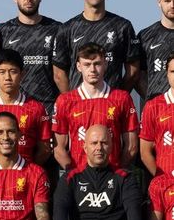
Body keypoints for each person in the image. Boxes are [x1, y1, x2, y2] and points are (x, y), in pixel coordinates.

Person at [52, 0, 140, 92]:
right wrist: (72, 102)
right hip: (79, 107)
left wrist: (118, 98)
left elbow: (133, 71)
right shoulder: (67, 28)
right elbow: (59, 75)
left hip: (111, 106)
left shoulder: (122, 26)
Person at [53, 42, 138, 171]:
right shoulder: (65, 101)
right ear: (78, 66)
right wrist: (74, 174)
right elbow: (58, 148)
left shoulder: (122, 98)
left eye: (97, 64)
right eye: (87, 64)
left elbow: (131, 146)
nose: (92, 69)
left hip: (112, 176)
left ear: (105, 64)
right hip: (79, 177)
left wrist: (116, 173)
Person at [0, 49, 51, 166]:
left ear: (22, 74)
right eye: (2, 72)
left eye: (13, 71)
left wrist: (27, 169)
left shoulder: (36, 109)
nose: (7, 77)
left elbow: (44, 149)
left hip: (24, 178)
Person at [53, 124, 142, 220]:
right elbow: (59, 216)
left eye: (104, 143)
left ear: (111, 146)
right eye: (94, 143)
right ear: (85, 148)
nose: (99, 148)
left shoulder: (125, 178)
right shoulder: (69, 179)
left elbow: (135, 219)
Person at [0, 0, 62, 114]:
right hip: (14, 109)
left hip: (48, 109)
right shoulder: (3, 31)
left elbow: (63, 73)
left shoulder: (57, 29)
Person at [138, 0, 174, 100]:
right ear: (159, 2)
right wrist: (152, 102)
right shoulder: (145, 36)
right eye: (167, 1)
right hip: (157, 110)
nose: (172, 5)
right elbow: (138, 75)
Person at [140, 53, 174, 176]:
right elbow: (145, 152)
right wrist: (160, 179)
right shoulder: (153, 106)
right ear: (167, 74)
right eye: (173, 71)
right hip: (165, 184)